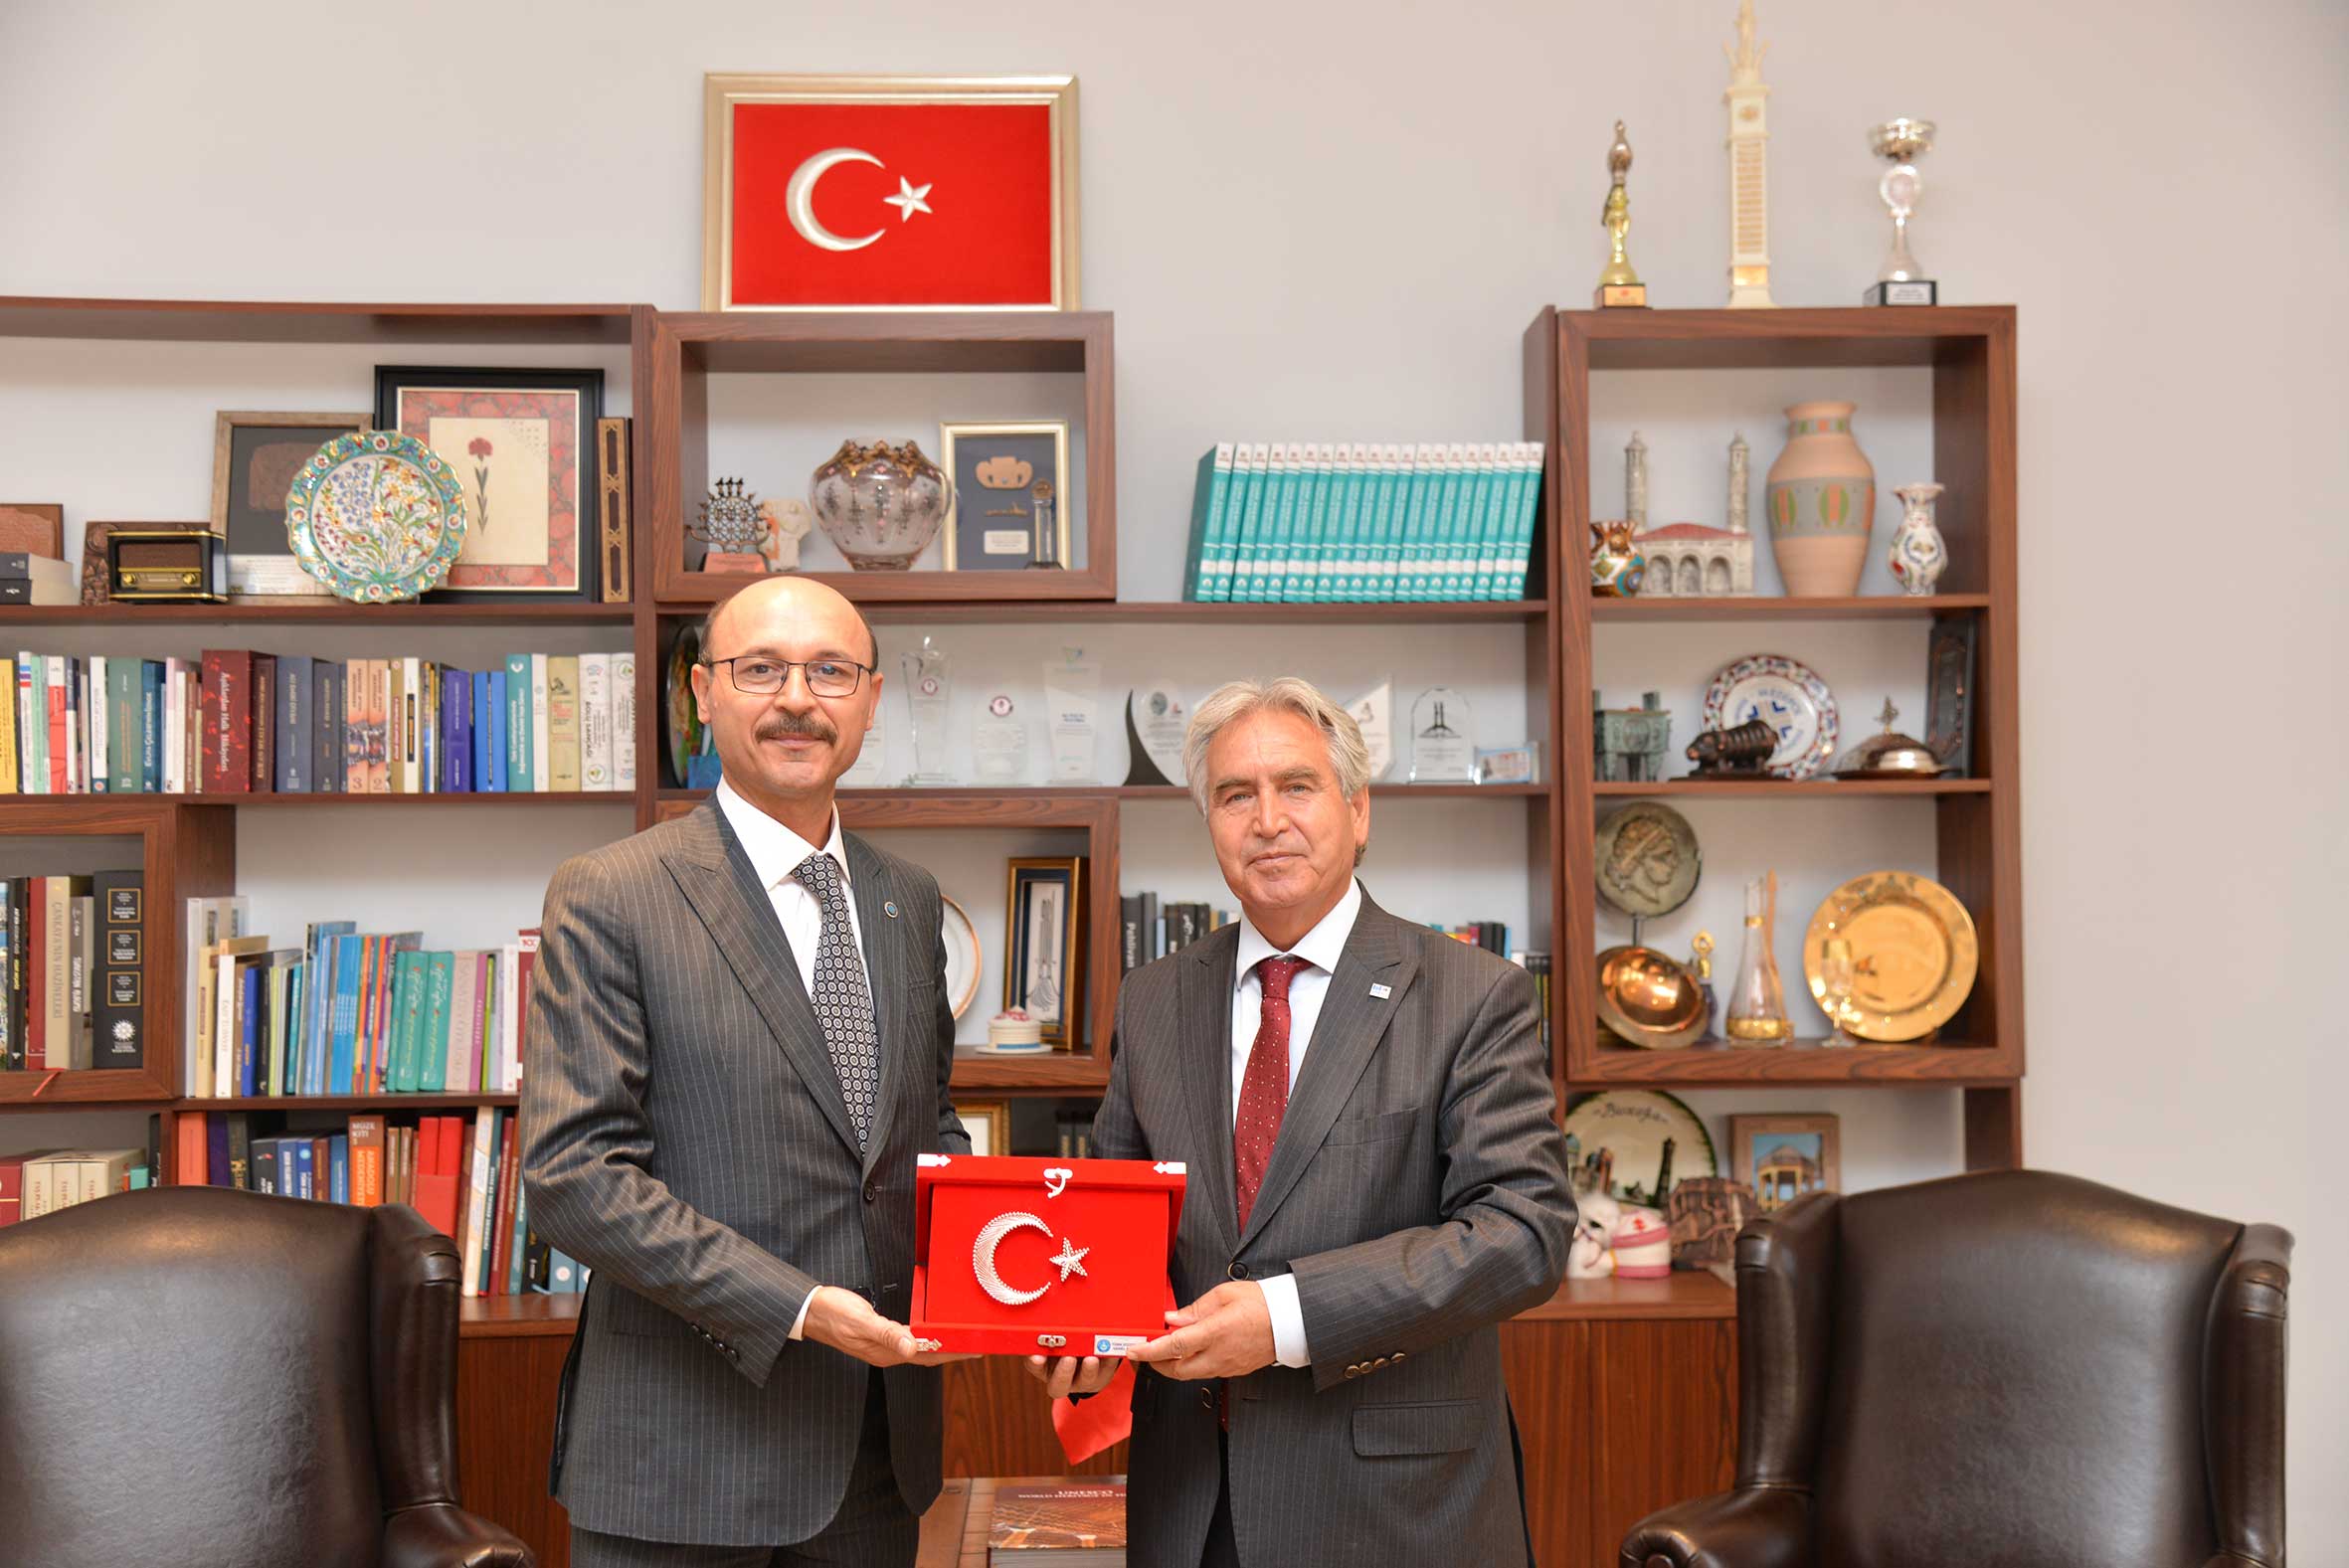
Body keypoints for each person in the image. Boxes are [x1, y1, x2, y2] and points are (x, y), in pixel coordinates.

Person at [1028, 676, 1572, 1568]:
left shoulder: (1474, 993)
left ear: (1358, 811)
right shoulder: (1154, 998)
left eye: (1297, 786)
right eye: (1235, 795)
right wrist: (1078, 1337)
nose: (1267, 820)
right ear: (1210, 822)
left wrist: (1286, 1316)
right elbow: (1111, 1230)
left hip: (1396, 1511)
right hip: (1193, 1505)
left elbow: (1524, 1233)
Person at [523, 576, 968, 1568]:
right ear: (702, 692)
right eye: (761, 668)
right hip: (684, 1461)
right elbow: (573, 1177)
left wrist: (1014, 1281)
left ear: (871, 700)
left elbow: (926, 1128)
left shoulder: (908, 896)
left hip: (873, 1459)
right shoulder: (612, 893)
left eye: (831, 671)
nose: (797, 699)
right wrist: (798, 1306)